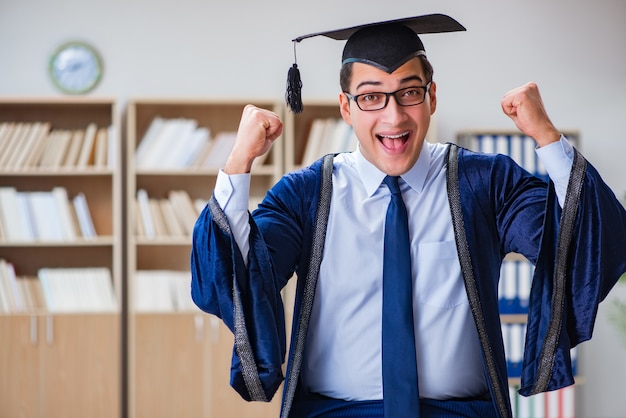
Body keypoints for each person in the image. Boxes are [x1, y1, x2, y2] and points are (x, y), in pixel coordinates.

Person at [190, 13, 626, 418]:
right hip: (333, 412)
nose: (393, 116)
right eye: (372, 97)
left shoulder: (482, 184)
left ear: (431, 97)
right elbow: (234, 279)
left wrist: (547, 137)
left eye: (409, 93)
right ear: (346, 107)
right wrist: (237, 164)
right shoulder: (307, 195)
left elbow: (587, 240)